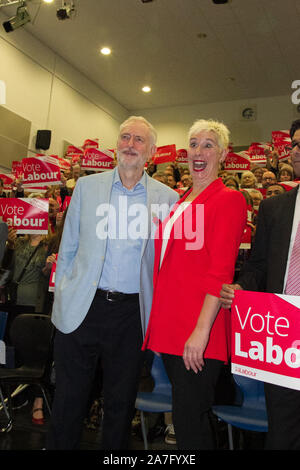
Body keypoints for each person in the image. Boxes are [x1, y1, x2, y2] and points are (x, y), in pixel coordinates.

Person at [46, 116, 179, 450]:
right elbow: (69, 247)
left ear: (150, 151)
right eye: (125, 137)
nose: (130, 144)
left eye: (138, 140)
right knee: (69, 399)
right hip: (83, 308)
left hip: (132, 314)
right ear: (116, 143)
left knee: (120, 404)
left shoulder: (168, 199)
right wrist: (62, 294)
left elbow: (169, 265)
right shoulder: (87, 188)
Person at [142, 119, 247, 450]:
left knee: (190, 422)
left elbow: (219, 271)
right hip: (170, 327)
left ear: (224, 154)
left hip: (199, 329)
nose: (198, 151)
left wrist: (201, 332)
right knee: (186, 419)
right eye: (193, 143)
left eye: (209, 144)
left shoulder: (229, 199)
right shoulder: (179, 201)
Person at [219, 119, 300, 450]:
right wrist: (242, 287)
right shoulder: (274, 207)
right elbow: (258, 265)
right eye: (294, 144)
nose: (296, 150)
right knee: (283, 430)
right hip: (281, 335)